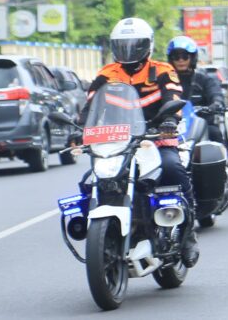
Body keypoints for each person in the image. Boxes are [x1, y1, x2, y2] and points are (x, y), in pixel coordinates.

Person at [81, 18, 198, 268]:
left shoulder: (163, 70)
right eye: (123, 45)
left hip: (156, 138)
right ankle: (93, 228)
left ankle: (188, 234)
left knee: (172, 169)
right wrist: (79, 127)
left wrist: (169, 121)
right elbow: (90, 105)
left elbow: (173, 97)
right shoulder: (107, 73)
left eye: (135, 45)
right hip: (117, 142)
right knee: (89, 181)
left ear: (147, 46)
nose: (129, 51)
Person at [167, 35, 226, 144]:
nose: (180, 60)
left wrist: (216, 104)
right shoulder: (165, 79)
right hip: (171, 125)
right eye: (176, 57)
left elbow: (215, 93)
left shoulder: (203, 79)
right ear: (171, 59)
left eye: (185, 56)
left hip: (201, 123)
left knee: (215, 133)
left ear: (192, 58)